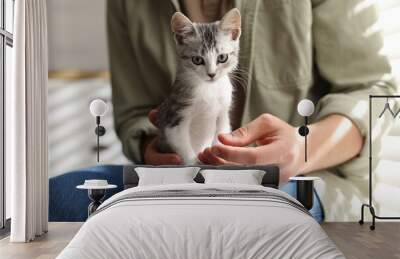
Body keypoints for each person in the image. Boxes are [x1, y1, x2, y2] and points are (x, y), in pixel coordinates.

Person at [107, 0, 397, 221]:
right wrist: (155, 146)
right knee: (67, 195)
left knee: (236, 218)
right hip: (174, 177)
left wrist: (303, 150)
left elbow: (374, 91)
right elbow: (134, 114)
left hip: (301, 178)